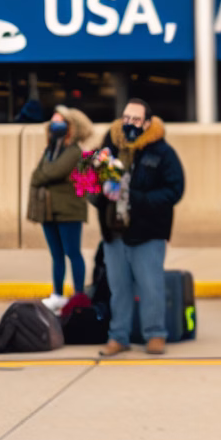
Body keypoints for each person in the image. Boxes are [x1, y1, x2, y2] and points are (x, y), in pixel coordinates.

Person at [92, 99, 184, 357]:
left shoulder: (162, 152)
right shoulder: (108, 148)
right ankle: (118, 337)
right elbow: (87, 183)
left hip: (148, 231)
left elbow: (175, 190)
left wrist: (137, 197)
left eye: (135, 119)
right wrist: (98, 187)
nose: (129, 123)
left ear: (146, 123)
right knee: (118, 287)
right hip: (114, 230)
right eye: (126, 117)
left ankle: (155, 334)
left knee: (150, 285)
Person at [26, 105, 94, 312]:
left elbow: (50, 173)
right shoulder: (50, 150)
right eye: (53, 121)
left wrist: (43, 175)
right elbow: (37, 174)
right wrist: (42, 174)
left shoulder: (74, 152)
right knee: (56, 254)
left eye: (60, 121)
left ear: (70, 127)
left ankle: (79, 294)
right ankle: (58, 294)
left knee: (72, 252)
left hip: (69, 211)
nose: (55, 125)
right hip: (49, 210)